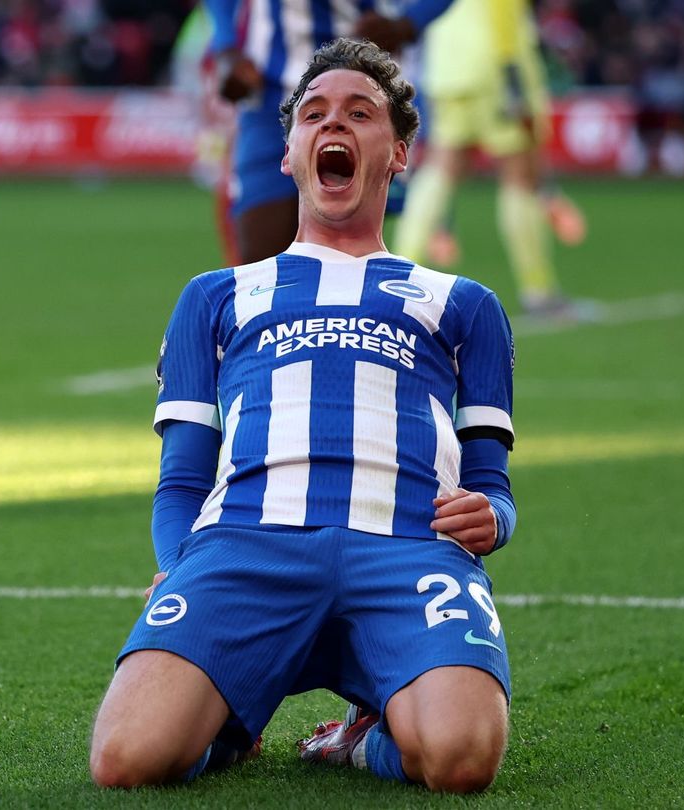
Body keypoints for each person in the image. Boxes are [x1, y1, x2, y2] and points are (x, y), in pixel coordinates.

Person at [89, 38, 517, 793]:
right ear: (288, 154)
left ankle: (359, 740)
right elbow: (182, 479)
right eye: (314, 115)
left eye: (360, 113)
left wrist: (495, 519)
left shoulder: (465, 304)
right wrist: (179, 561)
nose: (334, 127)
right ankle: (227, 729)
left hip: (409, 550)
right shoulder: (215, 296)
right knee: (127, 759)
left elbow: (491, 481)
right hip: (248, 544)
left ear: (400, 153)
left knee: (462, 759)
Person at [204, 0, 455, 265]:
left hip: (359, 97)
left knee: (344, 267)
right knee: (260, 269)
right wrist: (225, 45)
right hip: (269, 97)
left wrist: (407, 24)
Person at [392, 0, 587, 320]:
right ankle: (538, 290)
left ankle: (398, 273)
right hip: (494, 65)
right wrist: (512, 75)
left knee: (441, 168)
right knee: (519, 175)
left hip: (446, 67)